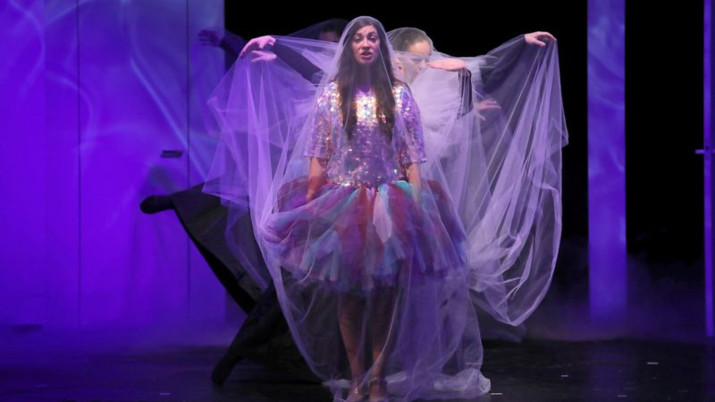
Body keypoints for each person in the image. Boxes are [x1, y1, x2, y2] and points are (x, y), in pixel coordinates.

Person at [205, 16, 493, 401]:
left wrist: (417, 204)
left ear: (381, 46)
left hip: (390, 201)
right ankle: (358, 378)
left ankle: (378, 379)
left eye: (373, 37)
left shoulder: (399, 94)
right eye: (358, 38)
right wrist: (311, 204)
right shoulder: (333, 94)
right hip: (343, 202)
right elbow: (318, 152)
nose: (366, 43)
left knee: (384, 298)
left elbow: (412, 154)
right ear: (349, 47)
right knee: (349, 298)